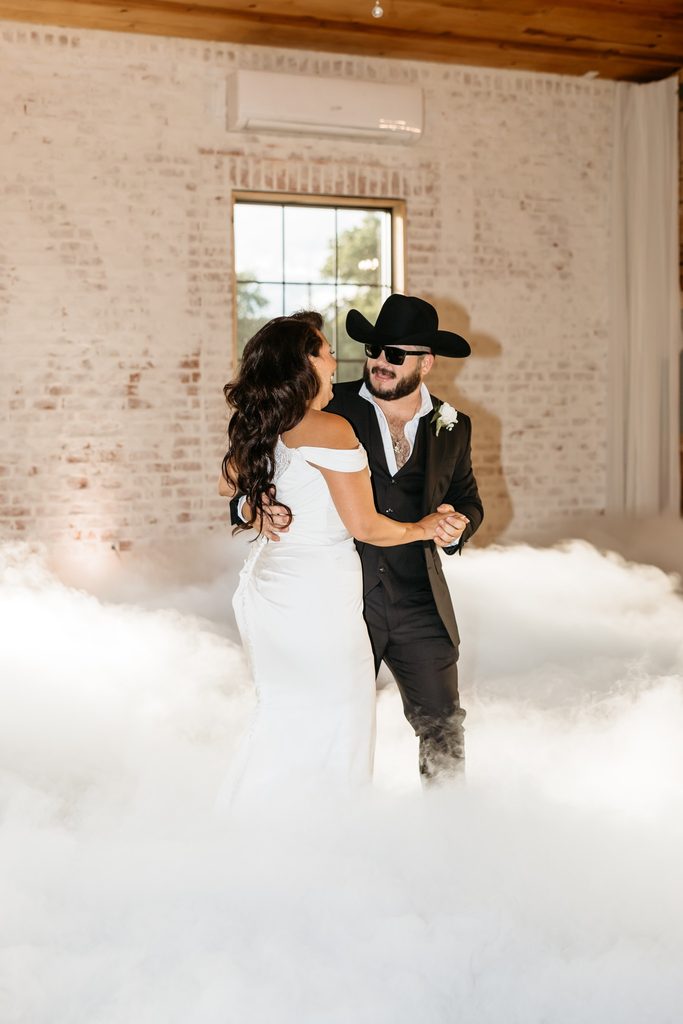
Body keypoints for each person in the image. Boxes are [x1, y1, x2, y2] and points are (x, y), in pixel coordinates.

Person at [230, 295, 484, 783]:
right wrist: (251, 507)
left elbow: (467, 497)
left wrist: (458, 524)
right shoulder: (326, 406)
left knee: (443, 726)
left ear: (426, 362)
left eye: (394, 354)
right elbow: (252, 471)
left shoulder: (455, 425)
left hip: (418, 598)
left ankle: (449, 829)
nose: (378, 362)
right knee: (329, 718)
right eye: (372, 350)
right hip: (343, 601)